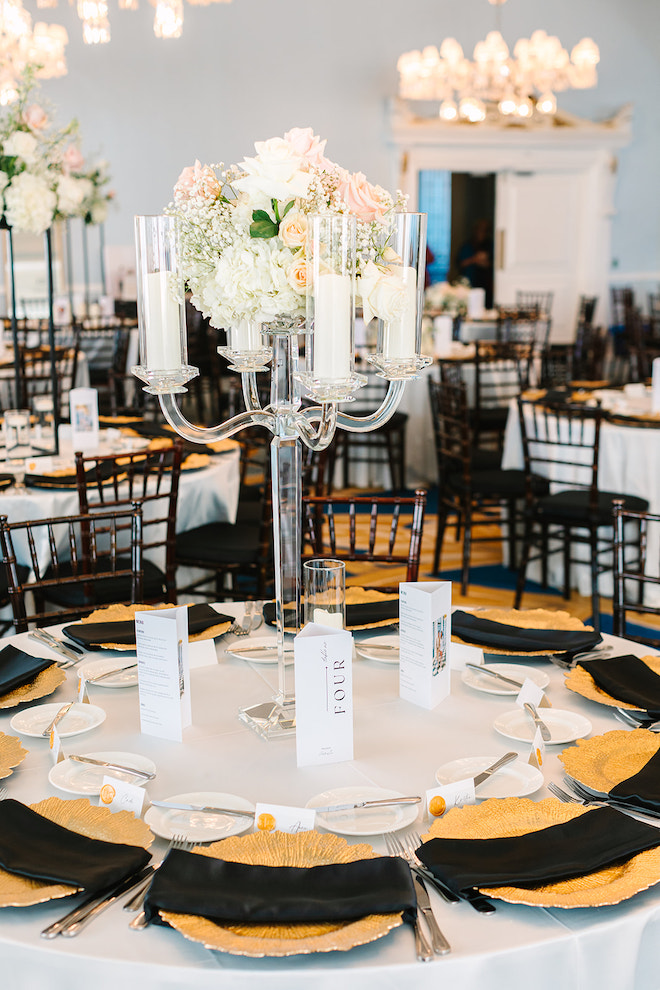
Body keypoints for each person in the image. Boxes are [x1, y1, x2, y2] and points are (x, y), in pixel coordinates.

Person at [457, 218, 494, 309]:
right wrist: (474, 259)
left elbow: (496, 266)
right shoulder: (467, 246)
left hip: (486, 284)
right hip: (469, 282)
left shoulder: (490, 246)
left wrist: (485, 263)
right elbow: (460, 264)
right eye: (480, 229)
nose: (482, 232)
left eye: (485, 230)